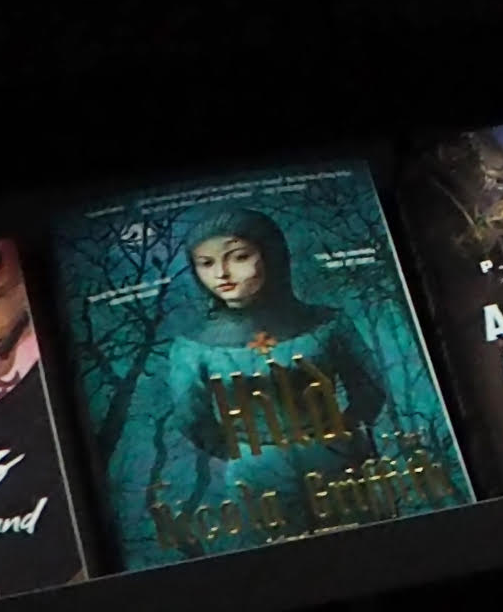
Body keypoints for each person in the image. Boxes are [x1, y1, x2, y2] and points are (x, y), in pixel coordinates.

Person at [124, 209, 402, 555]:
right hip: (257, 477)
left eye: (239, 257)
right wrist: (241, 451)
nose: (221, 274)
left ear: (269, 256)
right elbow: (191, 417)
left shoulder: (327, 324)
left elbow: (368, 390)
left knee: (367, 553)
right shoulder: (192, 347)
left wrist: (339, 435)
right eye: (206, 264)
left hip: (336, 462)